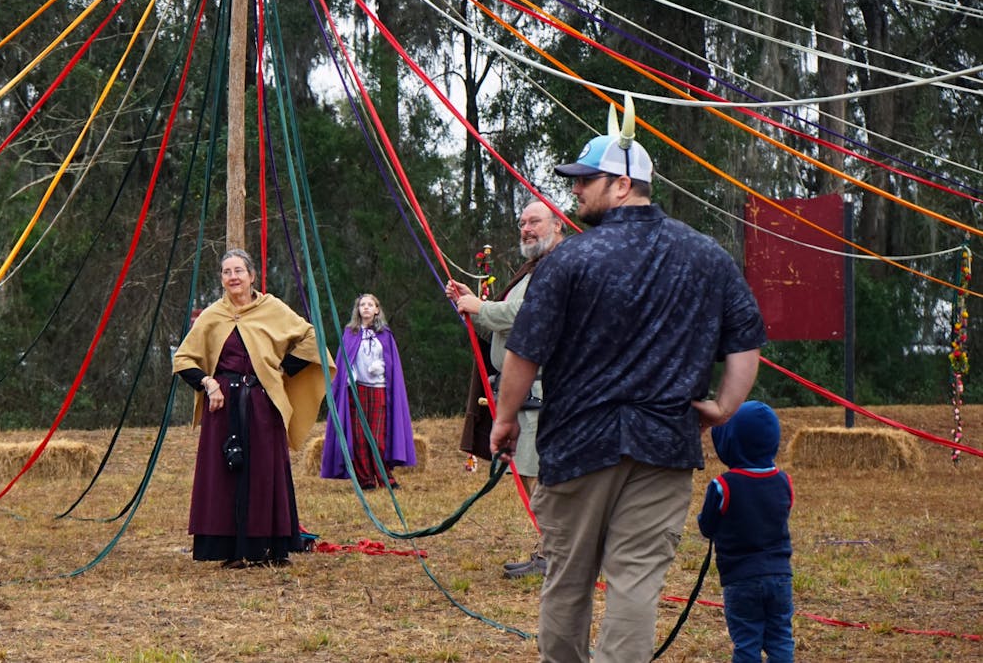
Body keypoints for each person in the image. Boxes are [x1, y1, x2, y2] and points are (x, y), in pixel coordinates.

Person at [490, 109, 767, 663]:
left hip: (577, 447)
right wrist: (723, 406)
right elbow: (746, 339)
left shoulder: (569, 259)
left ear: (621, 184)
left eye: (585, 182)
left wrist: (504, 419)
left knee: (567, 580)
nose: (575, 192)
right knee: (635, 586)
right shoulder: (706, 255)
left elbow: (524, 350)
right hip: (663, 446)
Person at [173, 249, 331, 566]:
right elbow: (183, 359)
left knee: (264, 474)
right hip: (223, 409)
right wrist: (208, 382)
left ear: (252, 275)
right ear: (222, 279)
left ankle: (267, 547)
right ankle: (229, 550)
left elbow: (311, 337)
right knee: (225, 477)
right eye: (226, 272)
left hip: (262, 403)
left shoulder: (271, 308)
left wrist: (282, 369)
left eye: (238, 271)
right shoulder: (213, 316)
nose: (233, 277)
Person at [446, 199, 566, 578]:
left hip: (544, 389)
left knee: (539, 474)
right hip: (523, 390)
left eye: (535, 221)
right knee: (530, 473)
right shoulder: (532, 269)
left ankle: (558, 556)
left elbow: (528, 315)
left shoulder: (558, 268)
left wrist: (481, 307)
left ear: (557, 225)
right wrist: (469, 306)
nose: (526, 229)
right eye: (522, 223)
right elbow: (502, 328)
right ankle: (552, 551)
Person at [698, 401, 794, 663]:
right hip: (780, 577)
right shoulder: (784, 481)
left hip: (740, 580)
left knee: (747, 642)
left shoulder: (722, 486)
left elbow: (707, 527)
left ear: (731, 443)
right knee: (781, 639)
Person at [318, 294, 417, 489]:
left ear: (377, 310)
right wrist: (350, 375)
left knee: (378, 436)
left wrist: (381, 367)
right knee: (359, 436)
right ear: (358, 310)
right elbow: (344, 361)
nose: (366, 308)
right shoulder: (350, 333)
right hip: (357, 390)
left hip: (379, 389)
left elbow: (392, 365)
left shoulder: (385, 335)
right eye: (362, 304)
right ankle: (365, 479)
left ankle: (384, 477)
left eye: (370, 305)